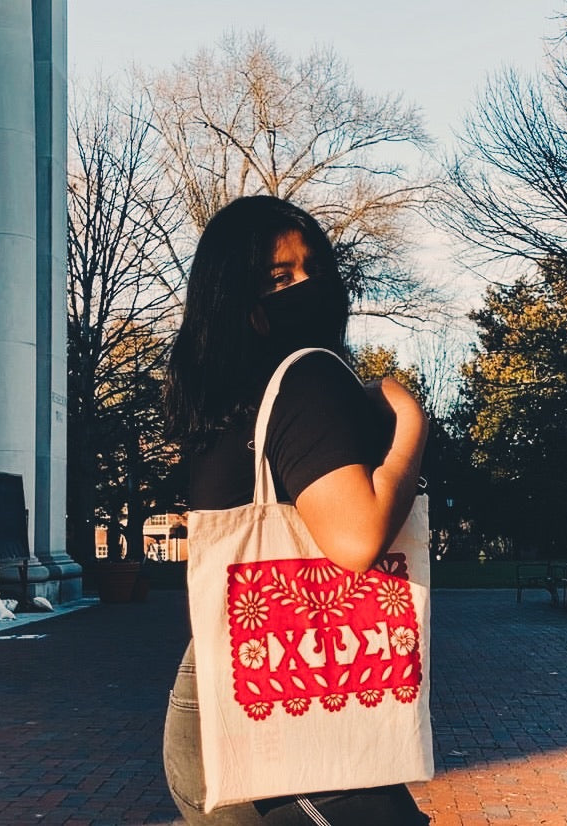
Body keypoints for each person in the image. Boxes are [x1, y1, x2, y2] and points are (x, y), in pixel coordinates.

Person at [162, 195, 429, 825]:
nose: (307, 288)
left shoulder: (227, 401)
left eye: (314, 268)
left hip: (225, 699)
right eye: (280, 278)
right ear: (243, 302)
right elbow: (358, 539)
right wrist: (409, 420)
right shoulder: (309, 379)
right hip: (286, 716)